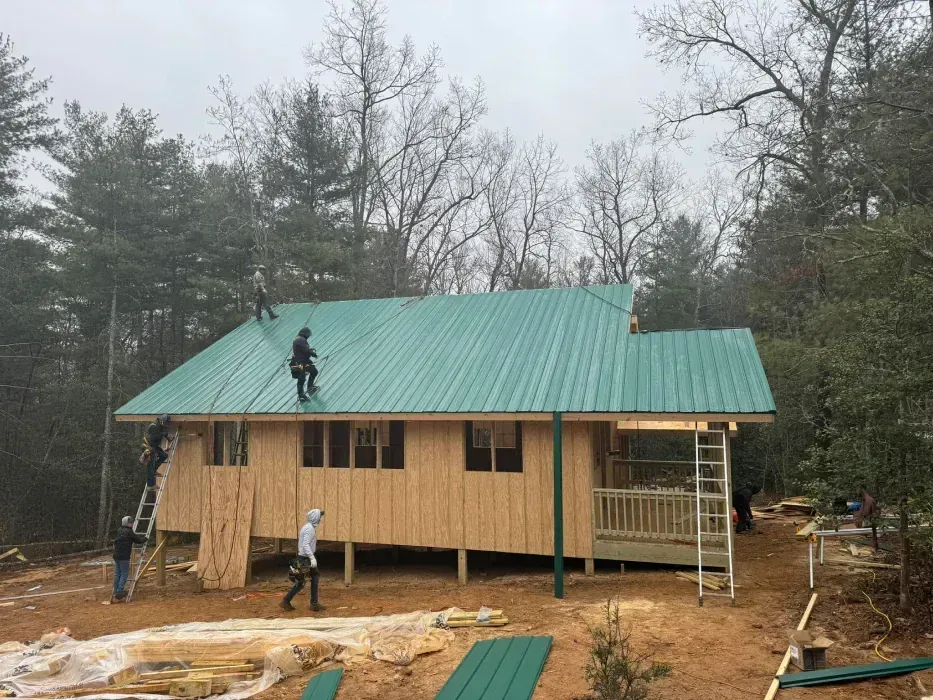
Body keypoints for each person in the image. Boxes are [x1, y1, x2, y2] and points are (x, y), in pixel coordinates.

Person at [280, 509, 326, 612]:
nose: (320, 519)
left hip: (303, 557)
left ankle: (288, 600)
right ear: (316, 518)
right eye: (319, 517)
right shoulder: (309, 529)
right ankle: (311, 603)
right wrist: (312, 557)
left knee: (309, 578)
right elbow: (305, 545)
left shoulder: (308, 527)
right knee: (306, 579)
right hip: (305, 558)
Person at [112, 516, 147, 602]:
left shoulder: (119, 530)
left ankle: (116, 591)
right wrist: (145, 538)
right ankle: (119, 591)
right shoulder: (129, 531)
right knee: (124, 573)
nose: (132, 524)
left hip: (116, 555)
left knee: (117, 573)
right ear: (127, 524)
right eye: (131, 523)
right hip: (124, 556)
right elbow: (138, 540)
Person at [143, 414, 172, 490]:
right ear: (162, 421)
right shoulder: (153, 426)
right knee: (151, 466)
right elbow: (153, 437)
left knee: (164, 455)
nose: (166, 425)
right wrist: (162, 434)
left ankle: (155, 469)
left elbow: (162, 433)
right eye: (166, 423)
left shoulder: (160, 426)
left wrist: (168, 438)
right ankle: (150, 485)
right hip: (149, 447)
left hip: (154, 446)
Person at [290, 327, 318, 402]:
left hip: (303, 362)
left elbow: (303, 350)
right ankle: (301, 395)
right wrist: (313, 353)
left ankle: (310, 386)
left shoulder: (299, 339)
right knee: (301, 379)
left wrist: (310, 351)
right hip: (298, 364)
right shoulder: (301, 340)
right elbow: (306, 351)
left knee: (314, 371)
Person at [854, 485, 879, 551]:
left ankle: (874, 546)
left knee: (873, 532)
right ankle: (874, 546)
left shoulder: (870, 500)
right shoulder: (864, 500)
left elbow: (871, 513)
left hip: (869, 521)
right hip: (867, 520)